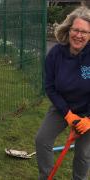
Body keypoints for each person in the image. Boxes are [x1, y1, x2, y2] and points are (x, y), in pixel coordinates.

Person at [35, 6, 90, 180]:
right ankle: (46, 176)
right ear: (69, 29)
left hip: (88, 112)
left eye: (84, 32)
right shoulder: (55, 54)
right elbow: (50, 87)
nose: (79, 35)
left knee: (83, 154)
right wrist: (67, 114)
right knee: (42, 139)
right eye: (76, 30)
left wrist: (89, 120)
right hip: (63, 107)